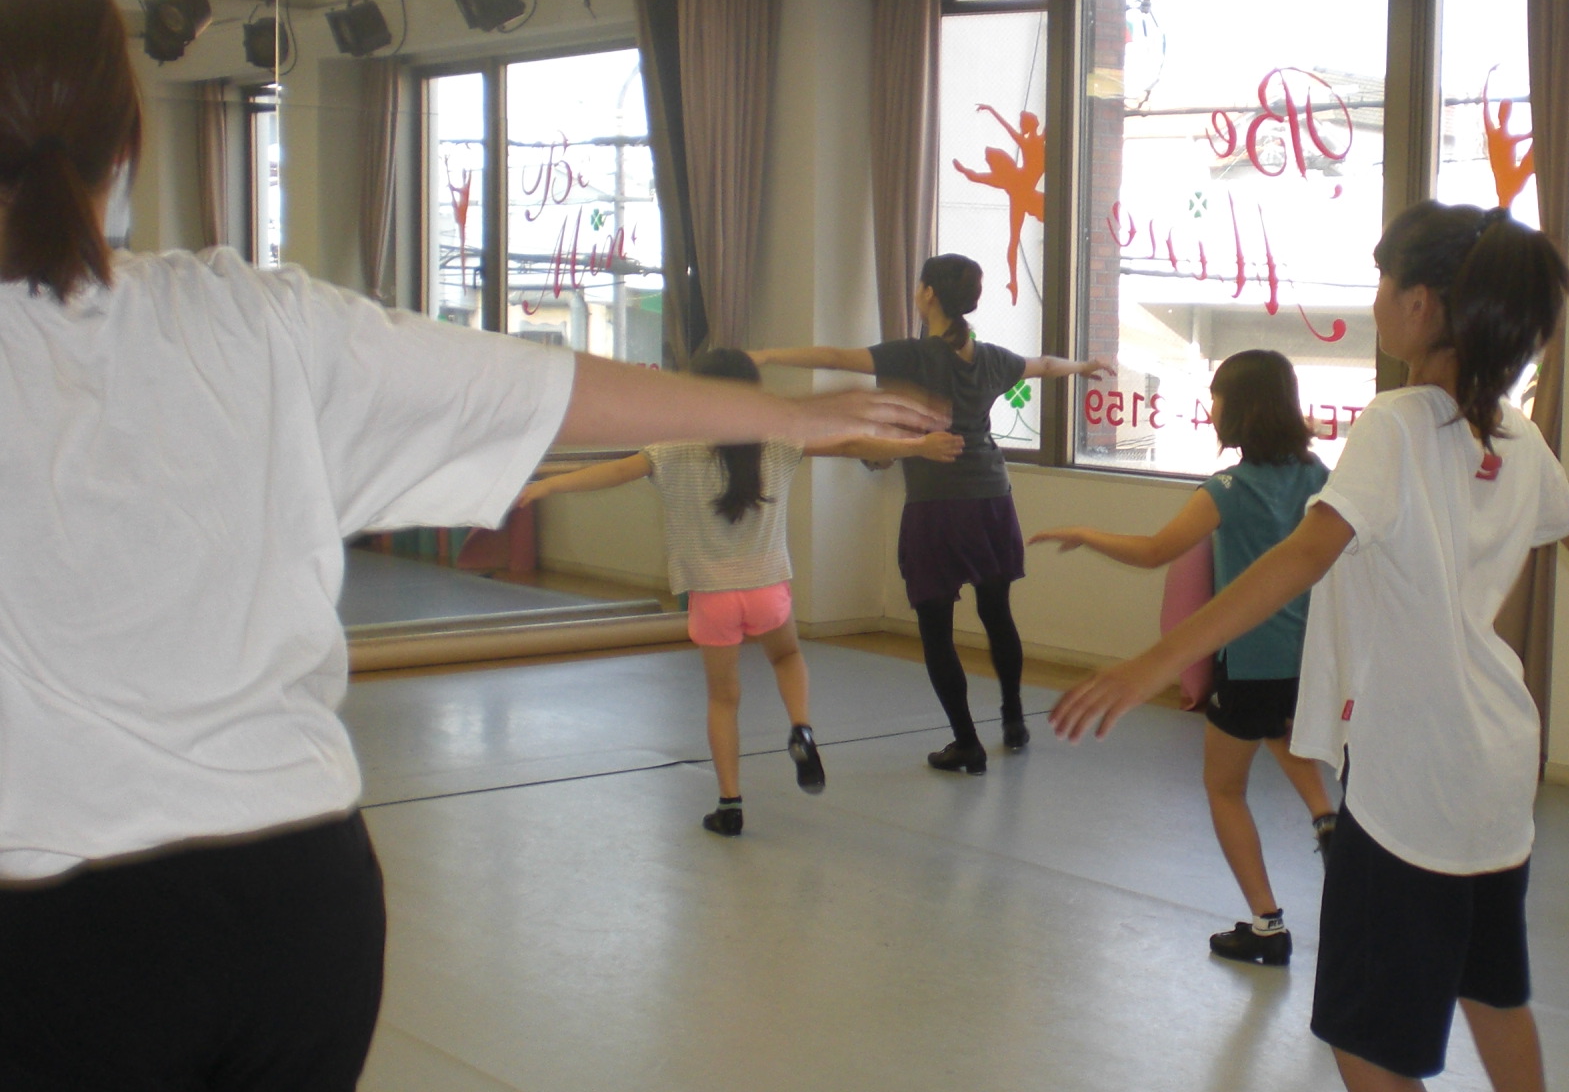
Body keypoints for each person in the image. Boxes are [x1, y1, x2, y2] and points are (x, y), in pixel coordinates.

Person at [0, 0, 940, 1092]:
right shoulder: (254, 320)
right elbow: (532, 385)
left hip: (69, 924)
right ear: (131, 139)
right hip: (298, 893)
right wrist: (783, 418)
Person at [1049, 202, 1569, 1092]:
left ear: (1422, 306)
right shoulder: (1511, 434)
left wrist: (1152, 663)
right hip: (1498, 760)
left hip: (1413, 773)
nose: (1377, 298)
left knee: (1360, 1038)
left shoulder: (1395, 424)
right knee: (1492, 983)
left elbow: (1305, 553)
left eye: (1384, 281)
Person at [517, 346, 964, 836]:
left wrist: (546, 486)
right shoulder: (776, 442)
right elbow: (848, 443)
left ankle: (729, 805)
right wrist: (916, 447)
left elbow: (614, 471)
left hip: (712, 596)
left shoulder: (672, 448)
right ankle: (801, 728)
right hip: (767, 587)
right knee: (786, 658)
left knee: (723, 699)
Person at [1030, 349, 1335, 966]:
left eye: (1217, 396)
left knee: (1224, 787)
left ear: (1239, 409)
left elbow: (1154, 551)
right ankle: (1327, 818)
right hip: (1307, 659)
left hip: (1246, 661)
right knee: (1279, 727)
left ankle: (1268, 926)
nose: (1211, 407)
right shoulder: (1317, 475)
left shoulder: (1227, 488)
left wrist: (1086, 534)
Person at [752, 254, 1108, 774]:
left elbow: (833, 356)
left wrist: (767, 354)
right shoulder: (990, 358)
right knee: (997, 613)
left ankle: (967, 742)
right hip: (991, 497)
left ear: (927, 295)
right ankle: (1013, 720)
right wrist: (1085, 367)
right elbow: (1046, 366)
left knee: (936, 630)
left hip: (937, 505)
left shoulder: (910, 356)